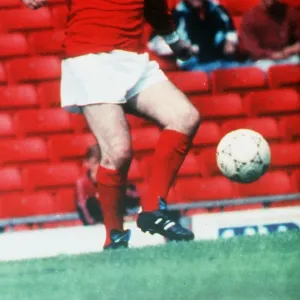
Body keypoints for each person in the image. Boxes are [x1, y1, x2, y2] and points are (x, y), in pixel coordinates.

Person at [23, 0, 201, 249]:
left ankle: (152, 210)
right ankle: (114, 236)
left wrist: (174, 42)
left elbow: (155, 7)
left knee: (185, 117)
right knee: (118, 152)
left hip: (132, 59)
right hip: (91, 57)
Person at [75, 145, 140, 249]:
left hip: (120, 213)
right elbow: (83, 206)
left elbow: (135, 198)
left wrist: (118, 185)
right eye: (96, 163)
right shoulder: (82, 183)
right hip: (97, 220)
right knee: (92, 201)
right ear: (87, 163)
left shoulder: (113, 177)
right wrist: (91, 223)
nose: (99, 167)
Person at [148, 0, 241, 72]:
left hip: (223, 62)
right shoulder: (176, 15)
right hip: (194, 66)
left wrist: (230, 41)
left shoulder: (218, 9)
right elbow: (154, 42)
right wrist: (181, 47)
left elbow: (230, 30)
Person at [240, 0, 300, 71]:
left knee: (296, 61)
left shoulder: (290, 12)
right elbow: (251, 49)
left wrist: (292, 49)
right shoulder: (250, 17)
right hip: (263, 60)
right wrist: (272, 55)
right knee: (266, 67)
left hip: (287, 57)